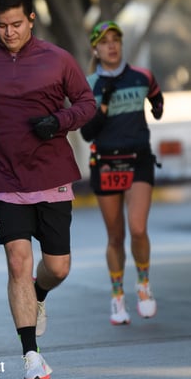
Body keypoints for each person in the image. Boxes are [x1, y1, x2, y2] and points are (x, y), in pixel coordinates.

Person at [0, 0, 96, 379]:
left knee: (58, 267)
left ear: (31, 18)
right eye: (1, 25)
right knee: (17, 261)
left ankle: (39, 294)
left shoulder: (58, 60)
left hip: (52, 175)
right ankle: (31, 356)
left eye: (16, 23)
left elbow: (86, 104)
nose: (9, 32)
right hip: (4, 178)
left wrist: (59, 121)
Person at [80, 21, 164, 325]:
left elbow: (156, 96)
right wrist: (104, 107)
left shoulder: (142, 75)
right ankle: (117, 296)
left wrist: (157, 107)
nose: (111, 46)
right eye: (104, 42)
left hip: (138, 159)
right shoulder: (88, 85)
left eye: (116, 40)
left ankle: (143, 285)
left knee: (138, 228)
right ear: (95, 48)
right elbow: (87, 133)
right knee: (115, 235)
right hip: (104, 162)